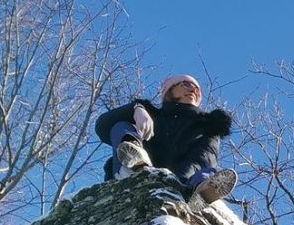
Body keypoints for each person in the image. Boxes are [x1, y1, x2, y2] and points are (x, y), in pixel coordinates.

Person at [95, 74, 237, 206]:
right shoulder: (152, 115)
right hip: (135, 171)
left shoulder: (209, 127)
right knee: (121, 126)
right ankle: (134, 163)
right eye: (186, 84)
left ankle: (201, 192)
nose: (193, 89)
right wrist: (136, 109)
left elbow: (201, 158)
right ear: (169, 90)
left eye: (197, 88)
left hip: (183, 180)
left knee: (206, 172)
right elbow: (103, 126)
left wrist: (175, 181)